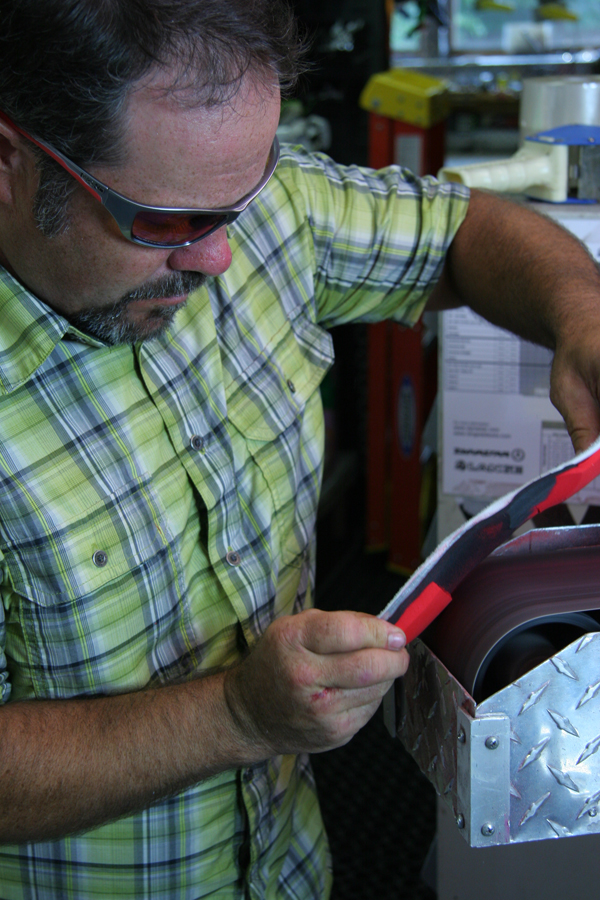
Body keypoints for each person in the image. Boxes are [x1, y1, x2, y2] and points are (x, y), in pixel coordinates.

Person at [0, 1, 599, 898]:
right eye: (167, 224)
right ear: (10, 162)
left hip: (293, 864)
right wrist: (238, 716)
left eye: (243, 200)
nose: (222, 260)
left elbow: (463, 232)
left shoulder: (247, 209)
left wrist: (583, 319)